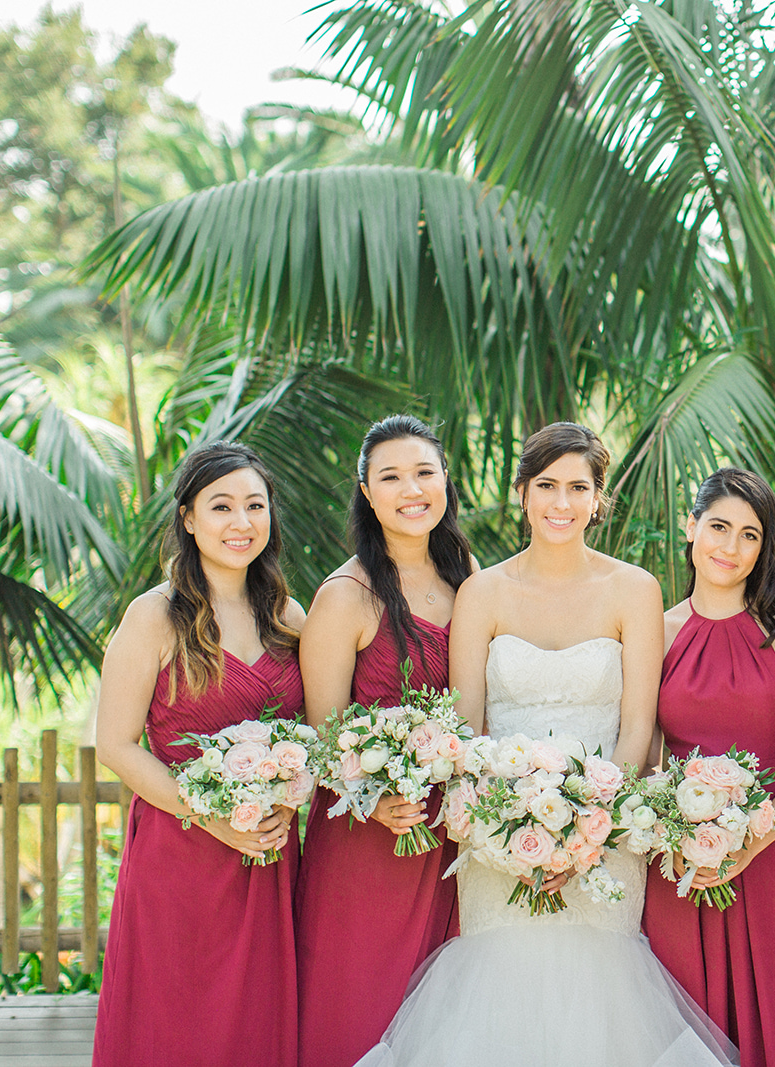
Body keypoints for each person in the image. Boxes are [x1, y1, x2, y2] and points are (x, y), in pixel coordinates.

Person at [352, 422, 736, 1067]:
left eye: (578, 488)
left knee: (602, 1007)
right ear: (524, 494)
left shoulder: (635, 590)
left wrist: (591, 834)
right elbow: (466, 728)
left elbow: (638, 729)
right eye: (548, 486)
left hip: (610, 839)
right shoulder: (482, 592)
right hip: (495, 838)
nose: (562, 503)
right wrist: (502, 832)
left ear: (597, 499)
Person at [93, 442, 306, 1067]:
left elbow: (313, 734)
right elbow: (116, 744)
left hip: (266, 857)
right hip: (179, 854)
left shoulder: (288, 616)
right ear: (188, 517)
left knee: (254, 1024)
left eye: (255, 506)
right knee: (174, 1024)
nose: (241, 523)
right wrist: (210, 815)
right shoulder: (154, 617)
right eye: (221, 507)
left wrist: (286, 804)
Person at [293, 416, 476, 1067]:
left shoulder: (468, 577)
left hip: (451, 841)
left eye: (424, 472)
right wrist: (371, 800)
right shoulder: (345, 597)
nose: (411, 489)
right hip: (368, 842)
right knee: (361, 1009)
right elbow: (321, 737)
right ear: (367, 491)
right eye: (391, 476)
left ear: (446, 482)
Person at [642, 468, 775, 1067]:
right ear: (690, 527)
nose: (730, 547)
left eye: (749, 535)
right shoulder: (657, 631)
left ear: (765, 546)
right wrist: (676, 836)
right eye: (719, 527)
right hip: (678, 867)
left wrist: (750, 842)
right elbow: (647, 752)